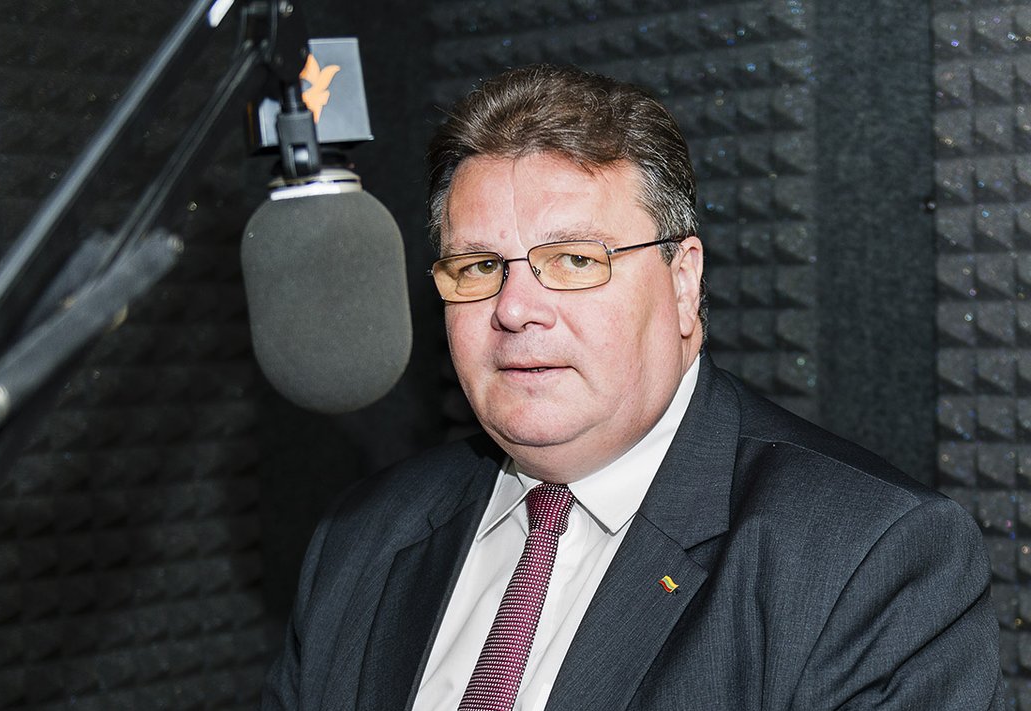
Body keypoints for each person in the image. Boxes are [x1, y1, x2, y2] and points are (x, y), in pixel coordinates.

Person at [261, 64, 1004, 710]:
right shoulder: (362, 538)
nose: (514, 308)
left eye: (576, 259)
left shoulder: (868, 560)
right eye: (479, 267)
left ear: (684, 283)